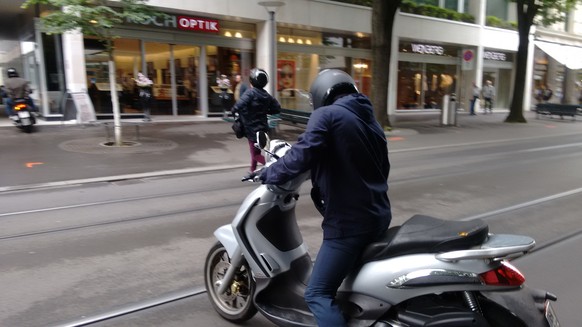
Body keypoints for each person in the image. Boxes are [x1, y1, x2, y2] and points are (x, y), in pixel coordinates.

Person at [257, 69, 392, 326]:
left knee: (317, 293)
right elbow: (382, 169)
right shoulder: (370, 121)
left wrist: (269, 172)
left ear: (321, 94)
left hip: (349, 226)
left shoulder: (326, 114)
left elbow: (303, 154)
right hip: (379, 215)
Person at [232, 68, 281, 180]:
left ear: (252, 81)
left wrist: (234, 111)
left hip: (251, 129)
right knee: (256, 151)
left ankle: (274, 167)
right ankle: (252, 171)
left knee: (255, 154)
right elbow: (277, 108)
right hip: (263, 128)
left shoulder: (250, 93)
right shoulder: (266, 95)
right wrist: (266, 111)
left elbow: (238, 105)